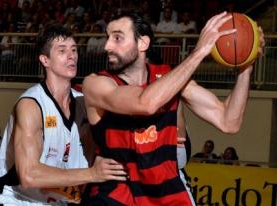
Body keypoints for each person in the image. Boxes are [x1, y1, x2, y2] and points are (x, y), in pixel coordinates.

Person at [82, 11, 264, 205]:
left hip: (167, 194)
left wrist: (247, 66)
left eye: (117, 38)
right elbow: (145, 104)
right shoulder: (96, 83)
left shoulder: (170, 78)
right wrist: (199, 51)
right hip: (117, 195)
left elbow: (229, 122)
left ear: (143, 43)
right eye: (107, 38)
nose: (107, 46)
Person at [0, 23, 127, 206]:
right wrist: (92, 174)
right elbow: (29, 175)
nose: (71, 55)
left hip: (56, 200)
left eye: (74, 49)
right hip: (14, 198)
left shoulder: (84, 102)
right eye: (62, 50)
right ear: (45, 60)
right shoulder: (31, 105)